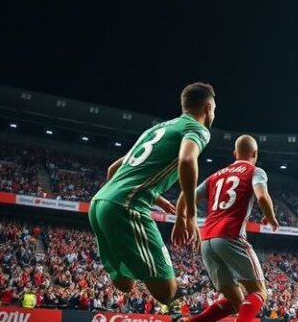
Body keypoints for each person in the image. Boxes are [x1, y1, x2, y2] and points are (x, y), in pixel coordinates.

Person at [89, 82, 215, 305]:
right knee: (167, 292)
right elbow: (187, 160)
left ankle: (131, 264)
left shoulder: (155, 130)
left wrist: (159, 199)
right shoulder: (198, 129)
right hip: (127, 207)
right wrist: (189, 215)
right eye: (214, 109)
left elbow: (112, 170)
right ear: (208, 107)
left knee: (125, 285)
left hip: (99, 203)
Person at [174, 135, 279, 322]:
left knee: (235, 301)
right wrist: (270, 217)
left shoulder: (215, 176)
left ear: (234, 154)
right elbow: (262, 195)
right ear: (255, 154)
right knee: (258, 292)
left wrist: (182, 219)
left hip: (207, 241)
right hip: (231, 236)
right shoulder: (255, 171)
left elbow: (184, 196)